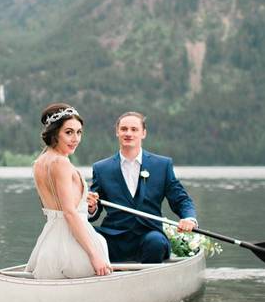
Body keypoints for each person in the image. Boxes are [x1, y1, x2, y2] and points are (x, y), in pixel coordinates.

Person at [88, 112, 197, 263]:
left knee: (156, 242)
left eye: (134, 129)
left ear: (143, 133)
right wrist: (91, 207)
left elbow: (181, 199)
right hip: (113, 237)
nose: (128, 133)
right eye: (124, 129)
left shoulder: (162, 165)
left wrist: (189, 218)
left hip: (149, 236)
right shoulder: (101, 168)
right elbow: (94, 209)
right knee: (83, 235)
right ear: (117, 132)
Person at [26, 103, 112, 279]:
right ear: (55, 133)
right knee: (100, 252)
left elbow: (53, 203)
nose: (75, 139)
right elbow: (69, 213)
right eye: (69, 132)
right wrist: (94, 254)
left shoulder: (39, 163)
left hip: (50, 241)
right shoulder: (62, 163)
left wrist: (82, 199)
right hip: (70, 243)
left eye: (79, 132)